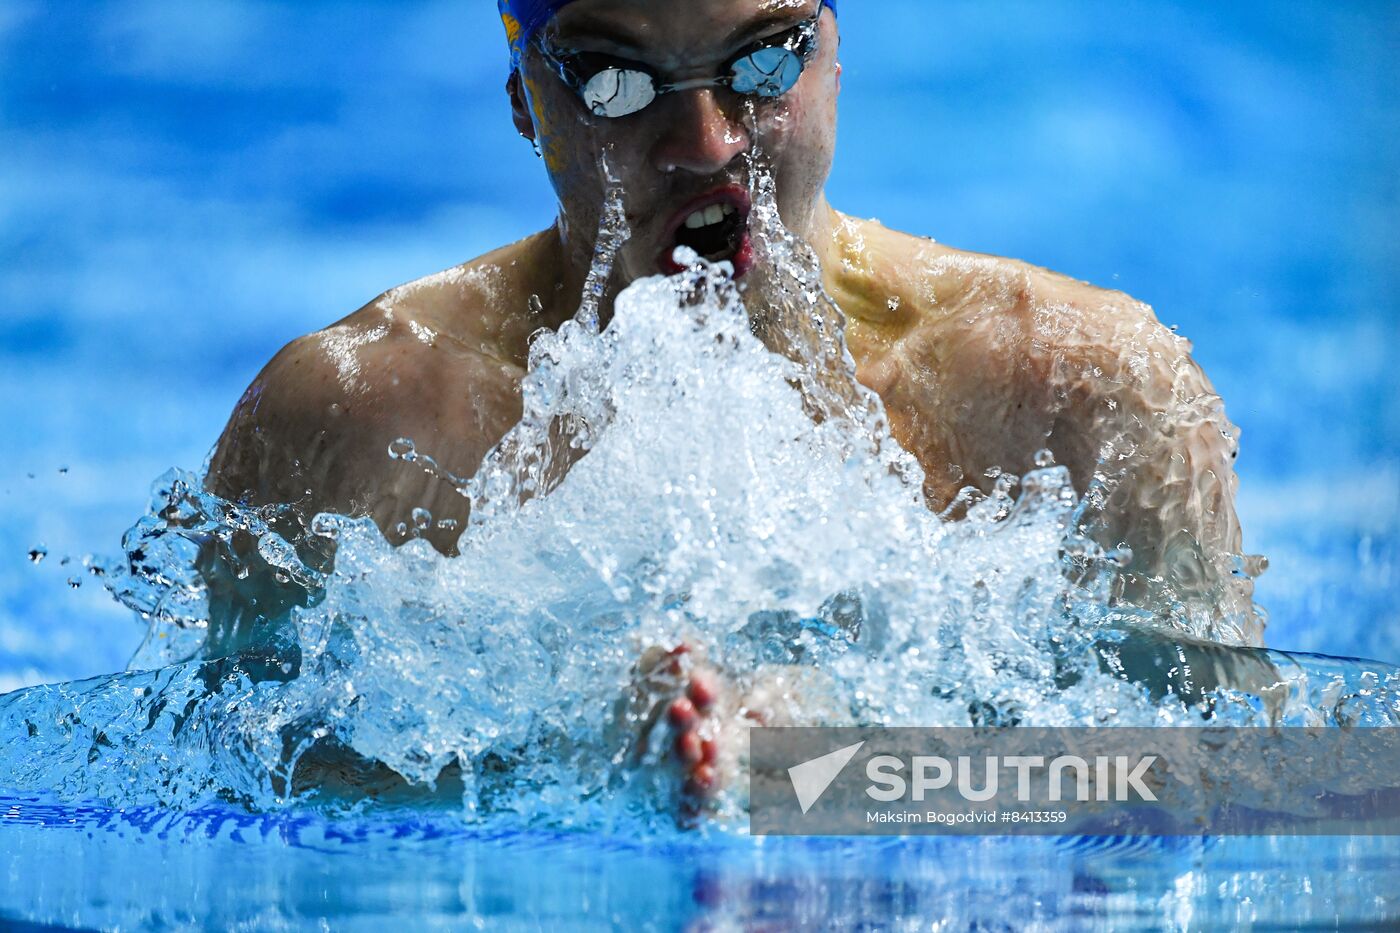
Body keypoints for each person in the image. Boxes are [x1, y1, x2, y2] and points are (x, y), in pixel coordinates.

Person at [205, 0, 1261, 807]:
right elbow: (240, 794)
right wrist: (566, 764)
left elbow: (1254, 788)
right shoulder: (351, 418)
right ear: (526, 100)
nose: (706, 143)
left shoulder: (1089, 390)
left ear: (836, 58)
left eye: (763, 60)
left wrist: (842, 774)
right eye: (614, 81)